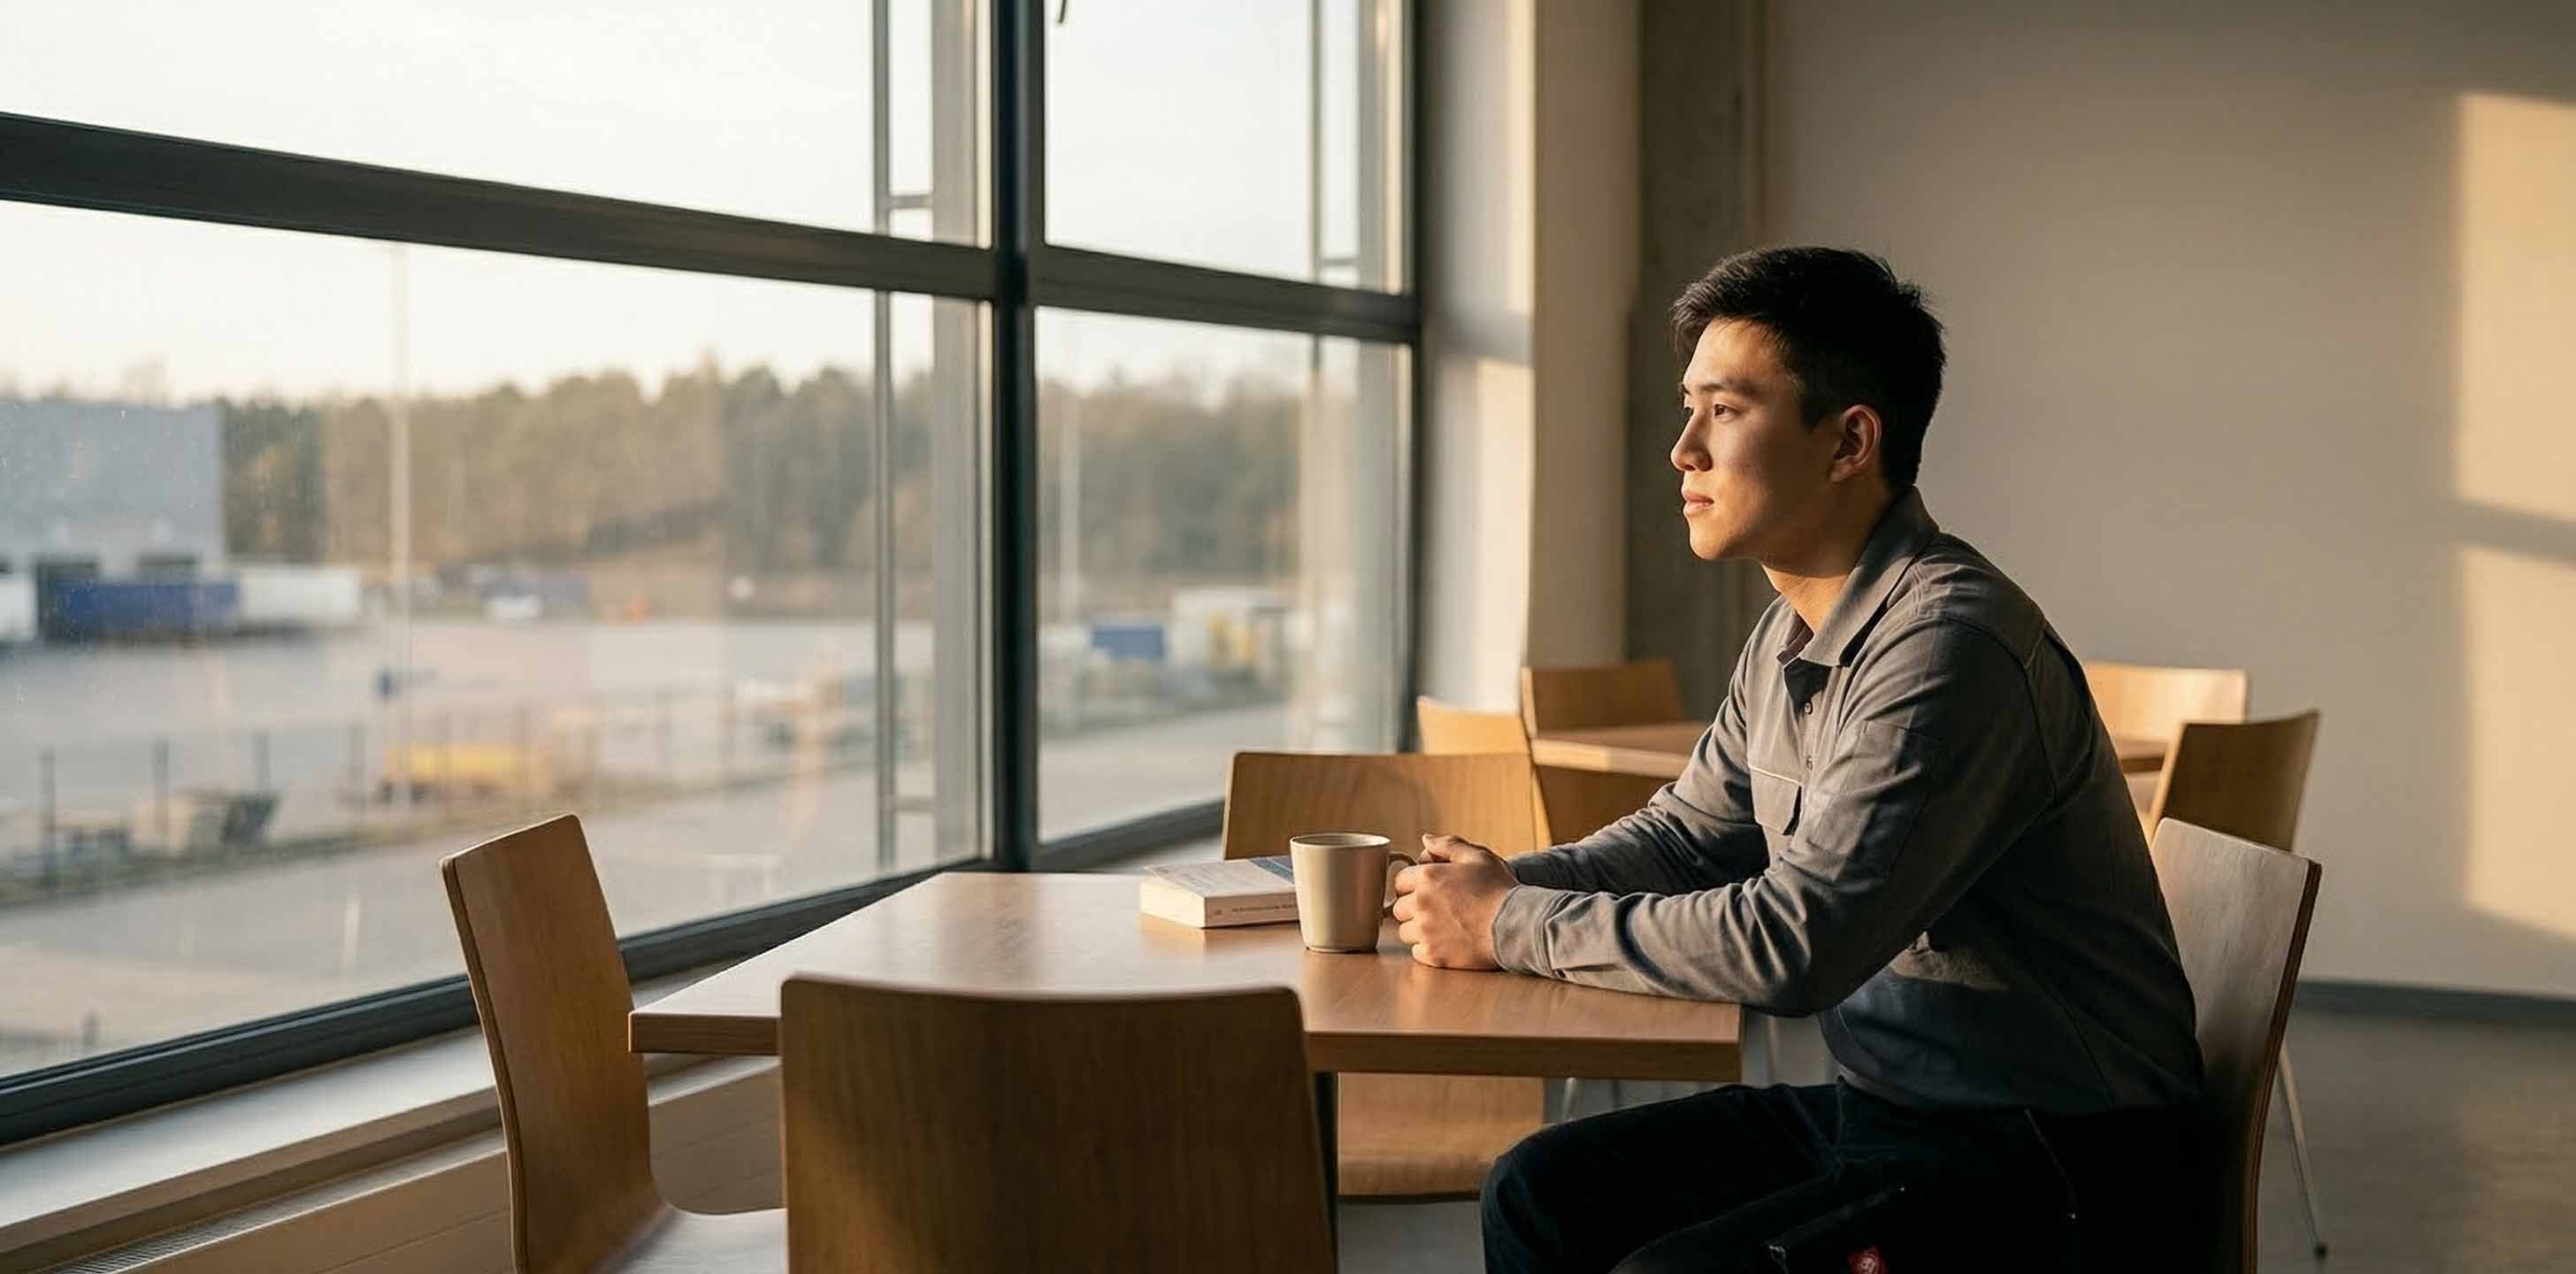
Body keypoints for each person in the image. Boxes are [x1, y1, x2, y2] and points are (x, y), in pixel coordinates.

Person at [1391, 247, 2206, 1272]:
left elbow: (1796, 944)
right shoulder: (1790, 632)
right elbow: (1688, 839)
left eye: (1723, 411)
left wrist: (1506, 921)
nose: (1681, 450)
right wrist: (1484, 887)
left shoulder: (1948, 646)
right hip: (1893, 1113)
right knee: (1539, 1190)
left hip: (2056, 1160)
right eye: (1687, 410)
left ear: (1846, 442)